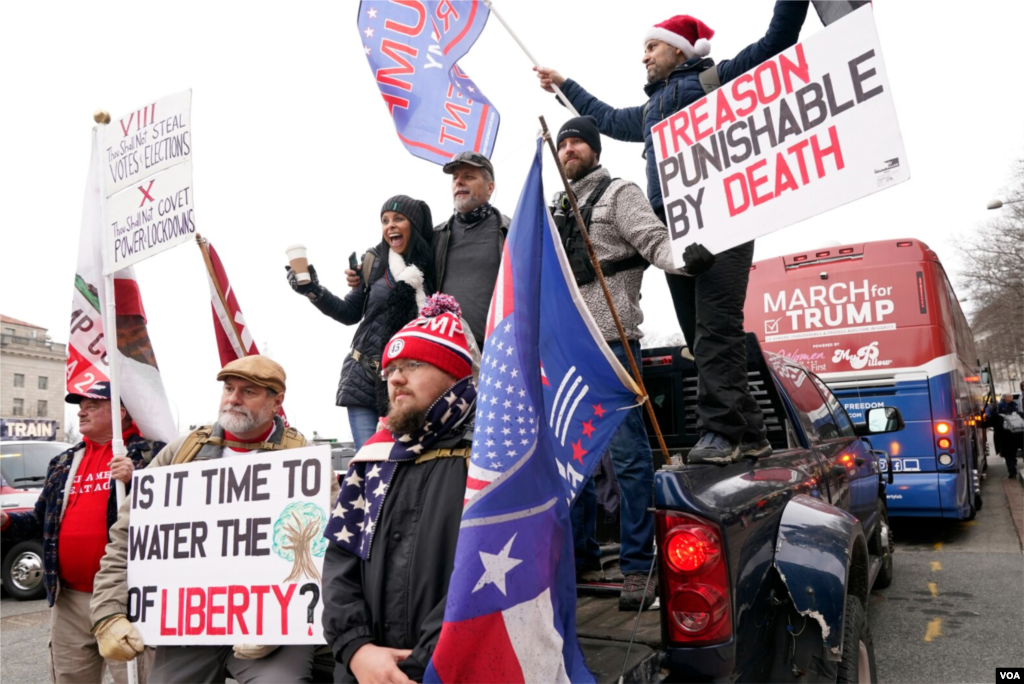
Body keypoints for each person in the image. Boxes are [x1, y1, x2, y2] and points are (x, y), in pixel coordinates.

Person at [535, 0, 811, 463]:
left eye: (652, 46)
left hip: (724, 222)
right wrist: (564, 85)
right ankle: (750, 432)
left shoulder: (717, 80)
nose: (644, 56)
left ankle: (719, 434)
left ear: (680, 52)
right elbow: (600, 117)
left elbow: (775, 43)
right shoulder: (647, 113)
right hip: (676, 234)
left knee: (716, 329)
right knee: (699, 335)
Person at [89, 356, 339, 684]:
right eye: (229, 388)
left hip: (272, 634)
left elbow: (330, 550)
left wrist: (284, 620)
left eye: (248, 391)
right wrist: (107, 612)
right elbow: (128, 536)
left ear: (276, 401)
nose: (233, 398)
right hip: (189, 625)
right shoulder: (181, 453)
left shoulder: (303, 460)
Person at [552, 116, 683, 611]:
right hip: (568, 346)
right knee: (573, 463)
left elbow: (654, 241)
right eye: (563, 143)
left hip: (614, 341)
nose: (568, 149)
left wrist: (688, 256)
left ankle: (636, 566)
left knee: (628, 460)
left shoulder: (619, 193)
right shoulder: (553, 207)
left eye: (578, 141)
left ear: (595, 148)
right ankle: (581, 557)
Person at [322, 294, 476, 684]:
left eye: (413, 364)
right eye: (390, 368)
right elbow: (340, 562)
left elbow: (488, 575)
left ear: (454, 373)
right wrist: (356, 648)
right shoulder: (373, 459)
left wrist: (413, 667)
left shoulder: (486, 461)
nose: (395, 378)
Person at [0, 382, 162, 684]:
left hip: (127, 597)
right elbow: (40, 521)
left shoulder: (153, 452)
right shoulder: (63, 462)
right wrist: (6, 522)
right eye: (80, 406)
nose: (81, 412)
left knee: (138, 679)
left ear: (120, 412)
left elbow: (175, 510)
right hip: (68, 598)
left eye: (92, 405)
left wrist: (139, 478)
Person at [290, 196, 435, 448]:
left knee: (404, 465)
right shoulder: (375, 262)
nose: (390, 225)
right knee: (371, 464)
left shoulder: (433, 265)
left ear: (415, 224)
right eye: (385, 220)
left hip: (410, 382)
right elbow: (348, 312)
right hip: (364, 379)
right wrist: (312, 289)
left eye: (398, 219)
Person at [987, 393, 1023, 478]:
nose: (1011, 398)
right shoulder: (1000, 407)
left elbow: (990, 421)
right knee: (1010, 454)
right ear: (1004, 398)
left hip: (1007, 437)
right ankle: (1012, 470)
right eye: (1009, 396)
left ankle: (1012, 471)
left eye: (1011, 396)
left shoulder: (999, 412)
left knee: (1009, 455)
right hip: (1014, 436)